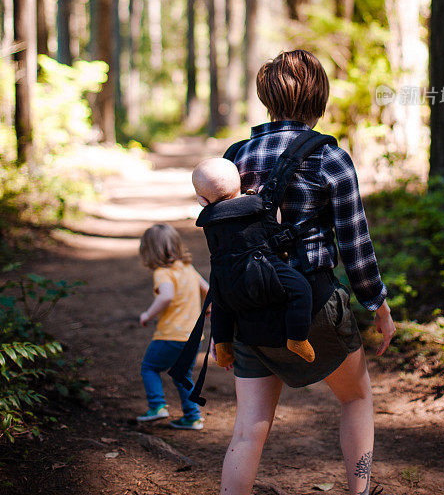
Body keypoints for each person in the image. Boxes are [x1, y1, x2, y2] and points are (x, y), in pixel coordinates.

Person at [218, 49, 396, 495]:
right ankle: (359, 491)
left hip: (249, 308)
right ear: (319, 99)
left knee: (248, 429)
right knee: (355, 397)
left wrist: (221, 311)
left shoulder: (235, 157)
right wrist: (377, 304)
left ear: (267, 97)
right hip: (312, 303)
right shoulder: (329, 158)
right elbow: (355, 245)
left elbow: (227, 243)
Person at [191, 156, 316, 365]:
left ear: (202, 201)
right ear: (240, 185)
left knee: (220, 304)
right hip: (262, 269)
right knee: (301, 288)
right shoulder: (257, 206)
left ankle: (222, 346)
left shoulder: (208, 220)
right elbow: (275, 223)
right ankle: (297, 337)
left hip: (226, 277)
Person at [137, 222, 209, 430]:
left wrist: (148, 314)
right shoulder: (187, 268)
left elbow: (166, 296)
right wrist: (208, 307)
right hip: (193, 337)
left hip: (171, 335)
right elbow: (207, 289)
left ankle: (157, 405)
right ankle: (192, 417)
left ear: (149, 251)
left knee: (149, 367)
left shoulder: (162, 272)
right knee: (182, 375)